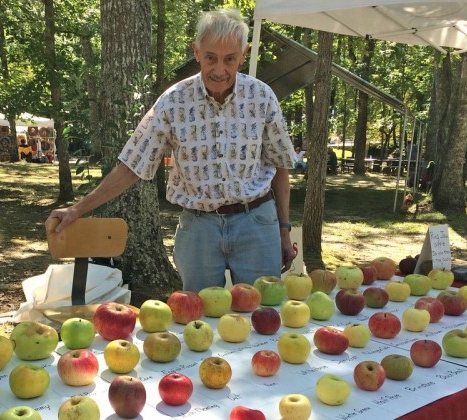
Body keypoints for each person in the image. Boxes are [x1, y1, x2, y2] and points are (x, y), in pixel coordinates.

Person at [47, 9, 296, 292]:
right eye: (211, 57)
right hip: (199, 227)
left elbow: (281, 166)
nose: (219, 70)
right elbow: (132, 165)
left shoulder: (262, 97)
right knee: (199, 320)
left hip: (256, 222)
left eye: (229, 59)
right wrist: (78, 209)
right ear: (196, 51)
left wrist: (284, 231)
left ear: (243, 53)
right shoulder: (174, 101)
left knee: (262, 314)